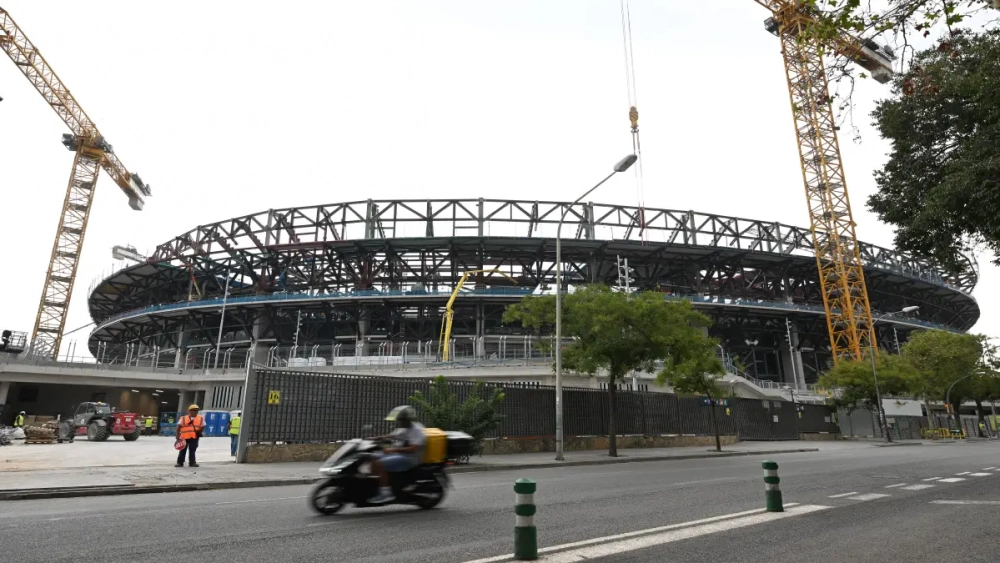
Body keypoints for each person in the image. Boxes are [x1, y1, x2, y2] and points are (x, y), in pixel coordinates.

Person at [367, 405, 426, 503]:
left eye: (401, 419)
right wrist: (376, 438)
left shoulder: (417, 431)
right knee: (370, 457)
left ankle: (385, 493)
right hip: (399, 455)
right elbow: (392, 436)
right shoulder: (404, 428)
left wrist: (393, 449)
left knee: (379, 463)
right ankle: (379, 484)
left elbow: (414, 448)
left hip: (410, 459)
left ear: (407, 419)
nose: (399, 422)